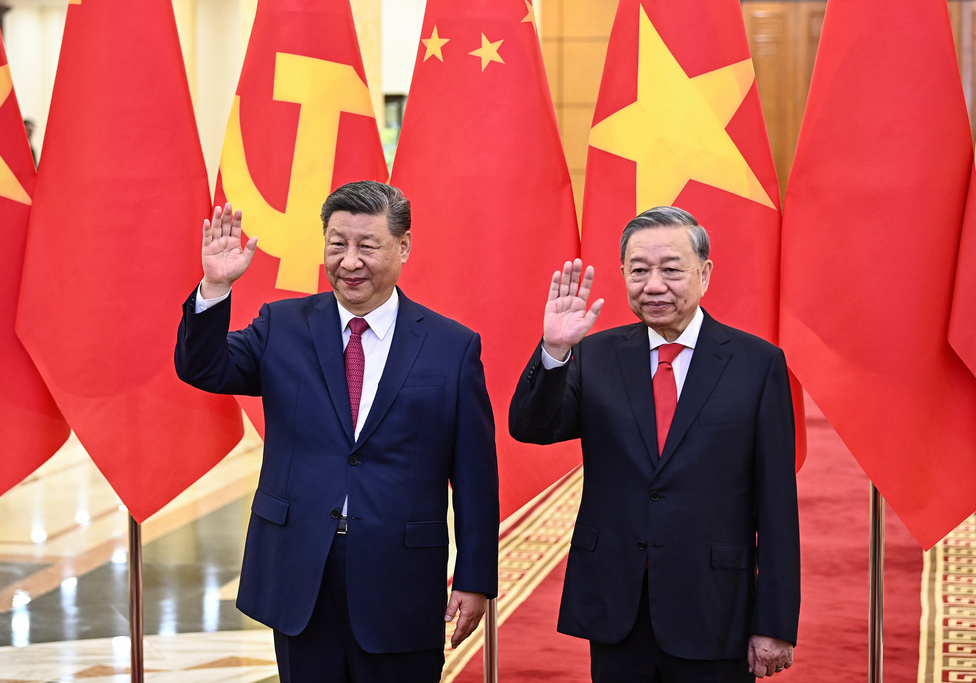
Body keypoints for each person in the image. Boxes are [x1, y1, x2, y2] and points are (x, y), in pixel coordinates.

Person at [175, 181, 499, 682]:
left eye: (367, 246)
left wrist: (475, 578)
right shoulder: (281, 326)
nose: (349, 262)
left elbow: (476, 476)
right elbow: (204, 368)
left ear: (403, 247)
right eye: (336, 244)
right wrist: (216, 290)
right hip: (301, 568)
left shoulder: (451, 347)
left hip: (401, 577)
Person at [509, 207, 799, 682]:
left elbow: (777, 505)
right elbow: (531, 426)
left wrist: (775, 622)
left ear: (704, 274)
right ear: (623, 274)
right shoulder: (595, 354)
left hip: (714, 603)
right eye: (639, 270)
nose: (654, 285)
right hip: (617, 602)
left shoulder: (757, 363)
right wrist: (555, 351)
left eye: (671, 269)